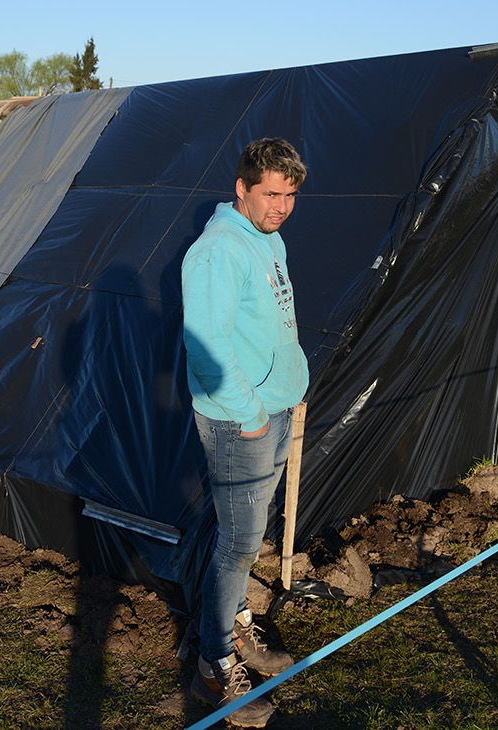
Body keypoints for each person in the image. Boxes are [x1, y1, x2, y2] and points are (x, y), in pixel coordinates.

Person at [180, 137, 308, 727]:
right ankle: (214, 664)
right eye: (270, 194)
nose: (280, 206)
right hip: (241, 421)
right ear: (241, 188)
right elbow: (207, 346)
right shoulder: (217, 252)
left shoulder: (267, 239)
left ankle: (234, 626)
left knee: (245, 536)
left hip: (273, 408)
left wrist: (288, 385)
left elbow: (271, 323)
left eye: (289, 195)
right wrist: (250, 412)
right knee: (237, 543)